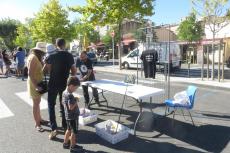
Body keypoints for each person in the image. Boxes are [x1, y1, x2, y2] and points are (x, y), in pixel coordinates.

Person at [43, 38, 76, 140]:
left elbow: (45, 71)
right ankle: (65, 126)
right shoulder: (69, 55)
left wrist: (45, 63)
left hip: (53, 84)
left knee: (51, 105)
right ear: (64, 44)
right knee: (64, 105)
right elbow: (74, 71)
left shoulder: (50, 56)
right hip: (64, 84)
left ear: (56, 45)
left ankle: (54, 129)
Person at [27, 42, 47, 132]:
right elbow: (30, 74)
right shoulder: (33, 58)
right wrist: (36, 86)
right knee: (36, 104)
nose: (44, 53)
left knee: (38, 102)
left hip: (37, 82)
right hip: (34, 83)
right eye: (43, 52)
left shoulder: (36, 57)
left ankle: (40, 119)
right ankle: (37, 124)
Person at [62, 76, 84, 152]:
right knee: (74, 132)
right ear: (71, 86)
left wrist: (74, 100)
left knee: (68, 129)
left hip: (67, 116)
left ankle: (65, 143)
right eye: (76, 88)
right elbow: (71, 107)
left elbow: (65, 103)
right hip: (73, 117)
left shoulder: (64, 92)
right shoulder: (70, 95)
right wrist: (76, 101)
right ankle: (73, 146)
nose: (76, 89)